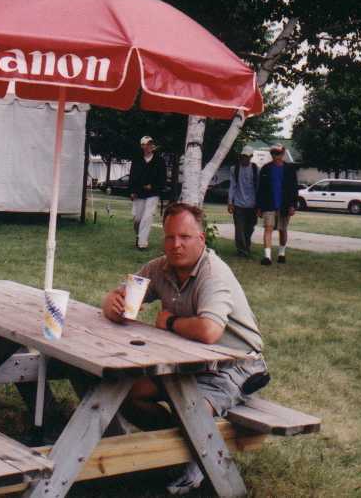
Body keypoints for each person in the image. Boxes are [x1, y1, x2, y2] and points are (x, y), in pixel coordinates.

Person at [102, 202, 269, 494]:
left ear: (201, 239)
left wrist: (169, 322)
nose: (175, 245)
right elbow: (120, 296)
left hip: (234, 365)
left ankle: (197, 464)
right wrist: (112, 304)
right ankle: (185, 450)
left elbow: (208, 330)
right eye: (169, 237)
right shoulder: (160, 267)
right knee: (127, 393)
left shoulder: (214, 273)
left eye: (184, 237)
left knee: (190, 411)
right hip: (187, 363)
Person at [255, 143, 299, 265]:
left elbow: (294, 188)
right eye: (273, 153)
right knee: (268, 229)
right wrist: (259, 206)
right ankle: (267, 257)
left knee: (283, 230)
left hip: (284, 204)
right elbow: (261, 189)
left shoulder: (290, 169)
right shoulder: (266, 168)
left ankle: (281, 254)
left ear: (283, 153)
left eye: (278, 153)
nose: (276, 155)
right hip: (268, 205)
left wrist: (293, 205)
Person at [128, 136, 166, 251]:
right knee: (137, 219)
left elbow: (163, 179)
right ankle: (139, 236)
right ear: (142, 146)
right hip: (139, 193)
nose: (149, 146)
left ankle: (142, 243)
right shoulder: (137, 160)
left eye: (150, 144)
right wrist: (132, 191)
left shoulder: (160, 161)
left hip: (153, 193)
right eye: (146, 144)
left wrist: (153, 186)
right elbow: (132, 177)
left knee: (147, 217)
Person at [227, 145, 259, 257]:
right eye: (242, 156)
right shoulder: (234, 169)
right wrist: (230, 202)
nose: (244, 159)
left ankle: (246, 246)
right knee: (239, 228)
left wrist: (259, 205)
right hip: (238, 204)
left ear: (251, 156)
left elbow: (258, 187)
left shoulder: (255, 169)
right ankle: (242, 250)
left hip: (252, 204)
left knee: (249, 228)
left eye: (247, 156)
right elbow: (232, 186)